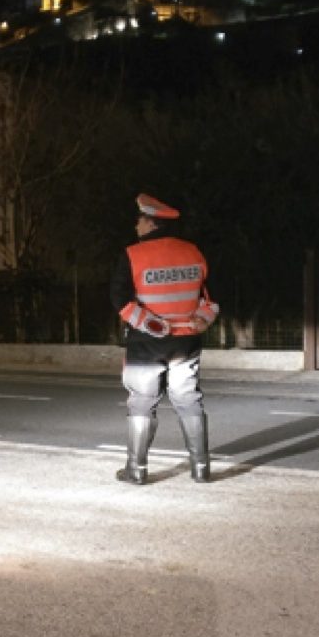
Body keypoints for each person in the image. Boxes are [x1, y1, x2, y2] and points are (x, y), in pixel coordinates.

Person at [109, 193, 220, 484]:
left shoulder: (133, 255)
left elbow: (119, 298)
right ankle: (200, 468)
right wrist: (202, 319)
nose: (136, 225)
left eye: (139, 220)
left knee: (142, 402)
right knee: (188, 399)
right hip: (186, 341)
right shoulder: (194, 252)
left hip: (146, 343)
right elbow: (212, 298)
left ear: (150, 223)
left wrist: (148, 323)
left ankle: (137, 469)